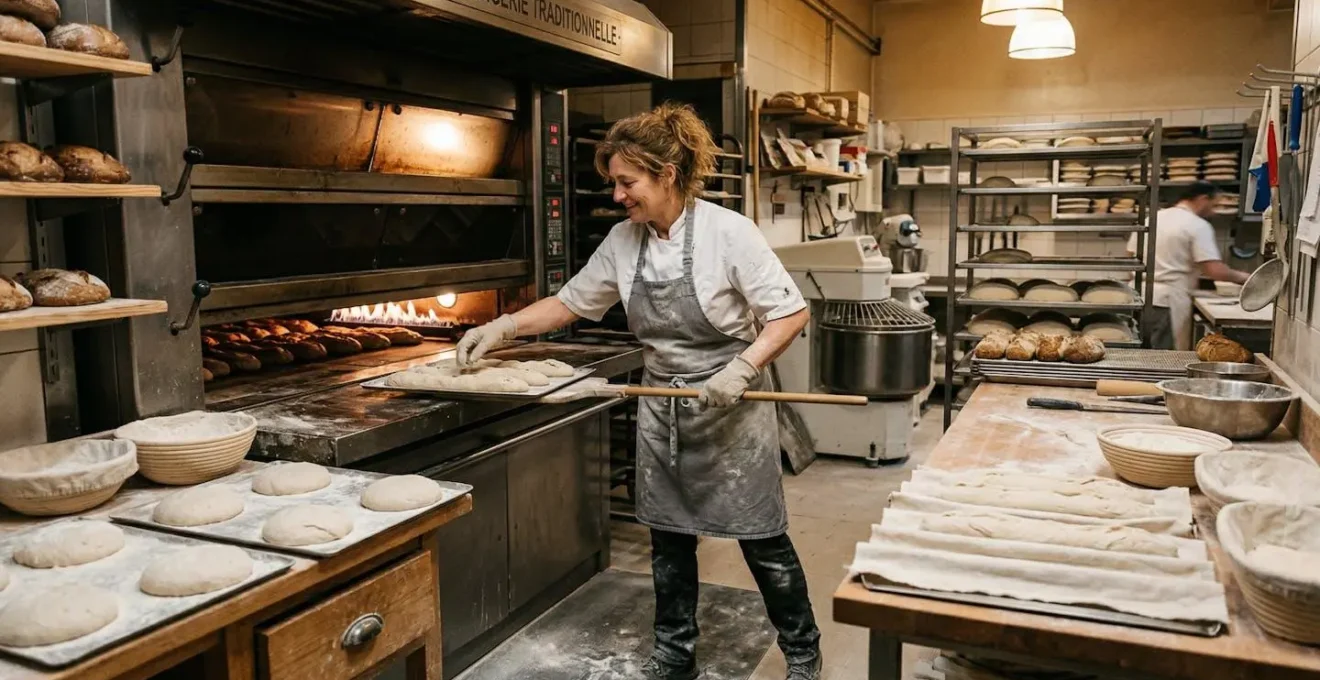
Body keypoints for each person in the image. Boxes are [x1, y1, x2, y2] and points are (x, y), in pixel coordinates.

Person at [456, 103, 822, 680]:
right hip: (662, 407)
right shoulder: (623, 240)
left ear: (666, 175)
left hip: (731, 409)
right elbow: (572, 302)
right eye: (614, 184)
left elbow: (789, 313)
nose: (619, 195)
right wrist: (503, 326)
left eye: (628, 182)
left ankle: (802, 651)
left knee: (762, 540)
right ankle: (675, 653)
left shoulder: (730, 233)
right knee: (669, 543)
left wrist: (742, 369)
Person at [1126, 181, 1249, 350]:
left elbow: (1131, 258)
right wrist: (1247, 279)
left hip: (1136, 297)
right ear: (1203, 199)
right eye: (1214, 205)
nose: (1213, 211)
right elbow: (1215, 271)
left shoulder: (1151, 219)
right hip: (1167, 303)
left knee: (1135, 354)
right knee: (1161, 358)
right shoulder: (1197, 225)